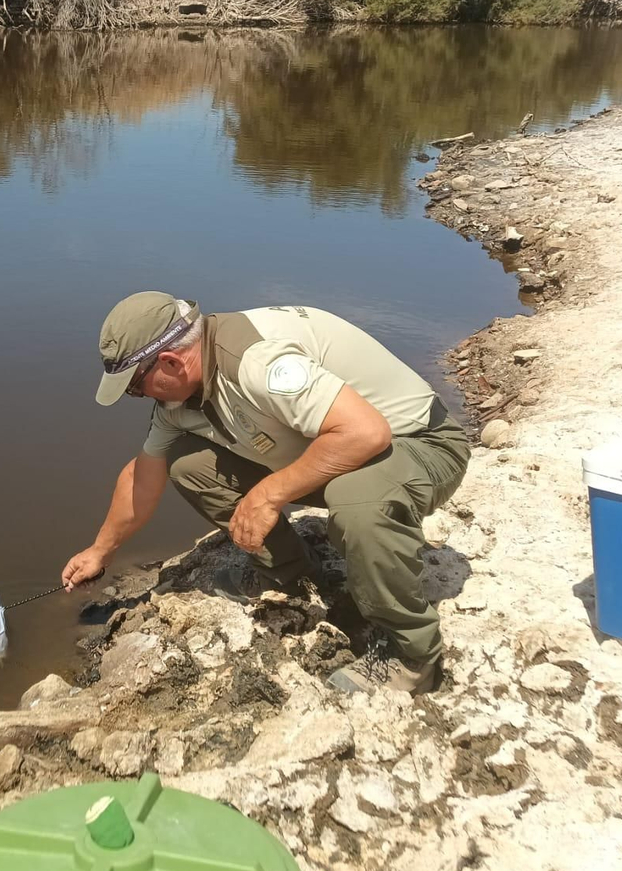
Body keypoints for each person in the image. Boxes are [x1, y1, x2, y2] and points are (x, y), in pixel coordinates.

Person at [61, 292, 470, 694]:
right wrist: (100, 551)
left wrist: (268, 495)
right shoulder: (181, 396)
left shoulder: (258, 363)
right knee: (187, 462)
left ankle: (411, 654)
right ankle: (294, 577)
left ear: (169, 362)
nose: (140, 397)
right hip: (337, 449)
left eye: (136, 387)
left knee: (357, 500)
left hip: (418, 444)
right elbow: (142, 477)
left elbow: (366, 432)